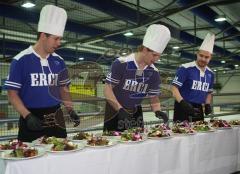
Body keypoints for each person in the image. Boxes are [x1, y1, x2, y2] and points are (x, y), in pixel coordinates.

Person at [4, 5, 80, 142]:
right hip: (32, 117)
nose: (59, 43)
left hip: (56, 115)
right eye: (56, 39)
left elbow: (64, 89)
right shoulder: (21, 60)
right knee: (30, 157)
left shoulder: (59, 61)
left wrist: (70, 109)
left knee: (62, 152)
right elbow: (12, 93)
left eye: (60, 39)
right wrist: (27, 116)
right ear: (43, 35)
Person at [103, 24, 171, 132]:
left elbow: (154, 97)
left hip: (136, 111)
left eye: (159, 56)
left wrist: (158, 111)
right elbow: (107, 89)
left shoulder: (154, 73)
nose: (157, 59)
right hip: (115, 110)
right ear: (144, 49)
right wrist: (119, 109)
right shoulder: (121, 63)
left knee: (138, 141)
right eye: (154, 55)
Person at [171, 33, 215, 122]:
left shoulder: (211, 73)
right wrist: (182, 103)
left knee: (200, 132)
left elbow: (209, 92)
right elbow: (174, 88)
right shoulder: (185, 68)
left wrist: (207, 104)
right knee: (182, 133)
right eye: (201, 56)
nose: (203, 59)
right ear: (197, 54)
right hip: (183, 107)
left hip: (198, 108)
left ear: (210, 58)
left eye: (206, 57)